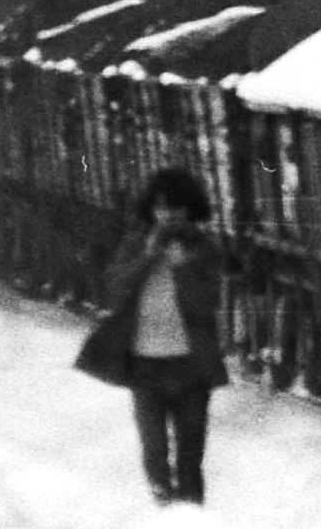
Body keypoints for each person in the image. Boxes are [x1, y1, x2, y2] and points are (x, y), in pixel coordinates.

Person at [76, 167, 230, 506]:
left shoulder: (204, 249)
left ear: (191, 211)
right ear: (152, 210)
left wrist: (182, 267)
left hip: (190, 367)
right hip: (146, 366)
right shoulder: (137, 244)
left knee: (190, 456)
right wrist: (148, 256)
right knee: (154, 450)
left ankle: (190, 518)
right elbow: (115, 291)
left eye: (177, 210)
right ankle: (163, 511)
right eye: (162, 209)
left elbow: (206, 304)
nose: (169, 217)